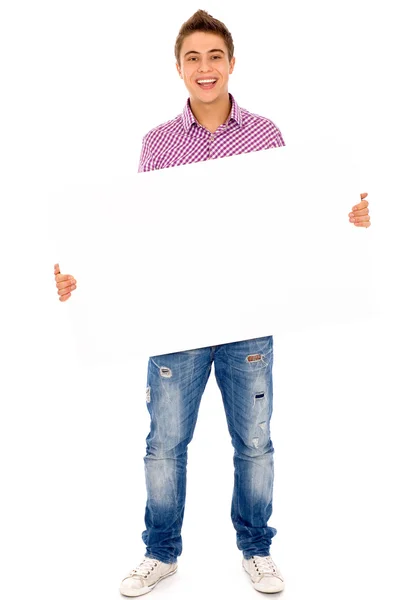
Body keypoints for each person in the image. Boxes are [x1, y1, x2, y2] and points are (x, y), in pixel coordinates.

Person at [54, 9, 371, 597]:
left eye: (215, 56)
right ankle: (161, 552)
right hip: (176, 319)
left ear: (231, 64)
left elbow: (292, 219)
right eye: (193, 58)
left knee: (254, 440)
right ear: (179, 68)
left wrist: (343, 221)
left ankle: (256, 548)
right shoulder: (158, 144)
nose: (205, 68)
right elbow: (133, 238)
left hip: (250, 317)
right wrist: (83, 280)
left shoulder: (265, 135)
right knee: (164, 443)